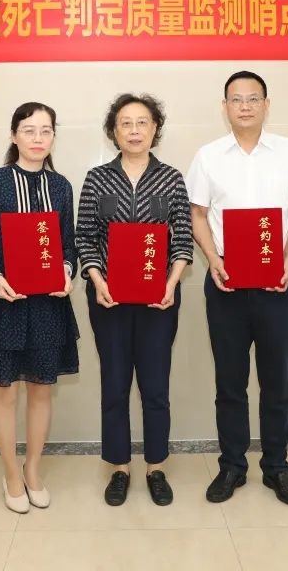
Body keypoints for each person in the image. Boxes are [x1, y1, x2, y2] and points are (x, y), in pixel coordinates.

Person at [185, 70, 288, 506]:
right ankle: (232, 466)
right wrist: (213, 259)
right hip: (225, 283)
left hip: (277, 282)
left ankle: (277, 468)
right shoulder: (208, 155)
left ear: (266, 104)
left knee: (276, 381)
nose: (244, 106)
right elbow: (197, 214)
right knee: (230, 382)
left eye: (253, 98)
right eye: (236, 99)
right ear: (224, 107)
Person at [0, 101, 79, 514]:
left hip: (47, 304)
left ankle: (32, 471)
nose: (37, 138)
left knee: (42, 389)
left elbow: (68, 246)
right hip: (3, 300)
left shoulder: (61, 186)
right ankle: (11, 474)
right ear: (14, 136)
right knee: (6, 391)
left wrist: (66, 271)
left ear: (54, 137)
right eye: (29, 130)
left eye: (46, 131)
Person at [75, 93, 193, 507]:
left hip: (159, 300)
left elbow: (182, 237)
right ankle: (119, 469)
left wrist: (171, 283)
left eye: (142, 122)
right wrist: (97, 280)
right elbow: (85, 236)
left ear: (155, 129)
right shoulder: (96, 179)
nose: (134, 130)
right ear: (114, 131)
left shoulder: (172, 179)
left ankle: (156, 467)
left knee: (155, 386)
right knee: (115, 384)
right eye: (125, 123)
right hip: (108, 299)